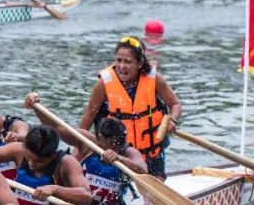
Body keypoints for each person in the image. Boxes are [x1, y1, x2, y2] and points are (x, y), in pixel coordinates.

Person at [78, 35, 182, 179]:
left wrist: (172, 120)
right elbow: (89, 116)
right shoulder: (103, 84)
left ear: (139, 63)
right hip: (118, 155)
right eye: (119, 60)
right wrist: (77, 154)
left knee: (153, 188)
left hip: (151, 154)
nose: (121, 66)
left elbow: (175, 104)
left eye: (127, 61)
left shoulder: (155, 79)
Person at [26, 93, 146, 205]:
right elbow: (56, 127)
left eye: (117, 144)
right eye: (108, 144)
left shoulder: (128, 152)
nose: (113, 148)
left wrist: (119, 158)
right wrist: (37, 107)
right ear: (98, 138)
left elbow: (143, 171)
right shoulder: (86, 142)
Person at [0, 125, 93, 205]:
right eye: (28, 158)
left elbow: (87, 196)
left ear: (53, 155)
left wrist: (55, 189)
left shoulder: (67, 162)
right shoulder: (18, 150)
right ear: (24, 146)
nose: (31, 164)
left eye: (39, 161)